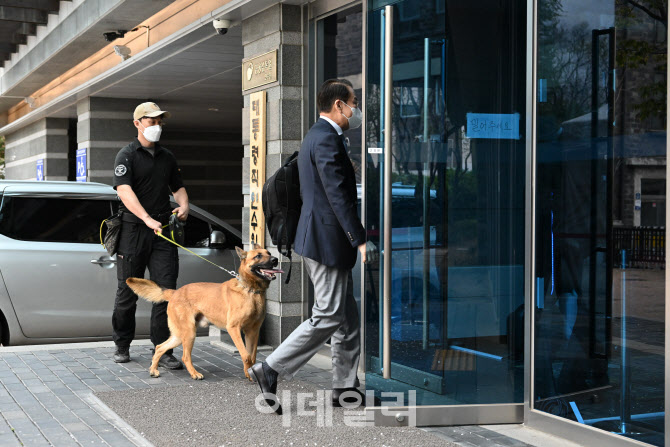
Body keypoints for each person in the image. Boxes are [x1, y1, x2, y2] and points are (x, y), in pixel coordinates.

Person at [248, 79, 378, 414]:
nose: (356, 109)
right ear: (339, 105)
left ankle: (345, 389)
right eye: (353, 102)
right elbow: (337, 196)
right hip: (325, 241)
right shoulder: (325, 140)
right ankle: (270, 368)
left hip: (321, 239)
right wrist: (360, 239)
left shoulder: (321, 136)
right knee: (328, 315)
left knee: (346, 319)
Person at [111, 102, 189, 369]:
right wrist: (146, 218)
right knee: (127, 292)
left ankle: (164, 348)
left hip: (162, 232)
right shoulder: (127, 155)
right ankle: (122, 345)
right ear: (137, 124)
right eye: (151, 121)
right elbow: (124, 191)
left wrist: (184, 206)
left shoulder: (167, 156)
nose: (157, 126)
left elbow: (177, 188)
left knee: (166, 292)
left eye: (159, 122)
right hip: (133, 230)